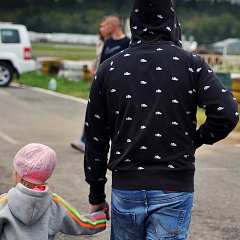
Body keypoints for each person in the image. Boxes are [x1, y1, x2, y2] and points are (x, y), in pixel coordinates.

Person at [83, 0, 239, 239]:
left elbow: (96, 137)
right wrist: (196, 139)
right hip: (174, 184)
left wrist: (96, 194)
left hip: (126, 185)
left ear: (133, 23)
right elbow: (228, 112)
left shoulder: (109, 67)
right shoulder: (191, 64)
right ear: (172, 21)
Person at [0, 143, 106, 239]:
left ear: (18, 174)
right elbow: (81, 224)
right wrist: (101, 217)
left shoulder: (5, 202)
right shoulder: (55, 203)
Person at [71, 14, 130, 153]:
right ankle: (85, 142)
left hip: (119, 88)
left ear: (113, 26)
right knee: (94, 113)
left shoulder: (127, 43)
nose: (101, 29)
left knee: (116, 118)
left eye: (104, 26)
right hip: (102, 86)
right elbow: (102, 63)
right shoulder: (107, 43)